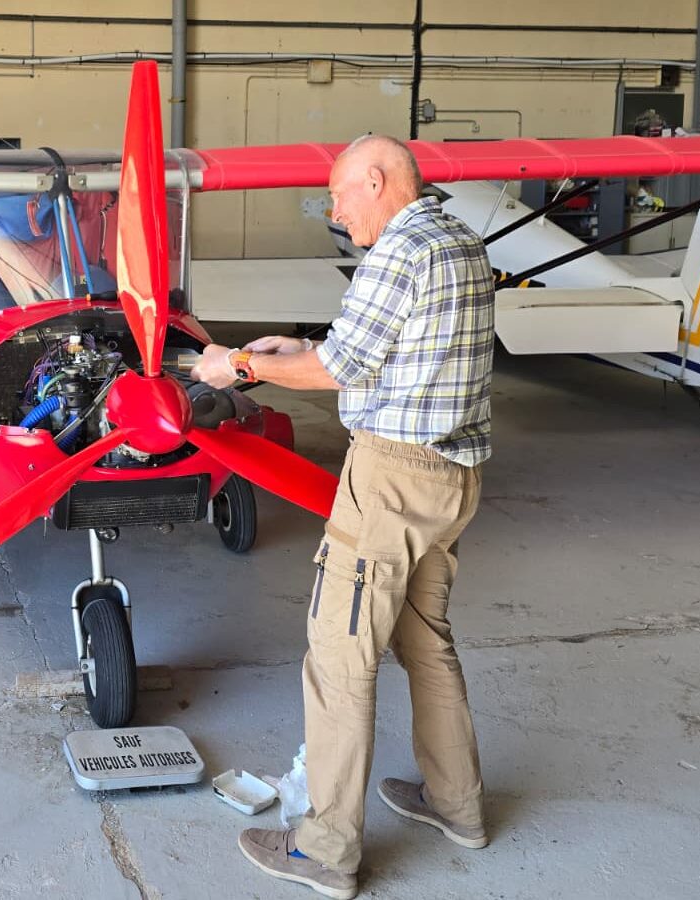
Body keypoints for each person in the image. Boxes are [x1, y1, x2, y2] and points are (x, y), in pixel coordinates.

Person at [191, 134, 496, 899]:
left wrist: (241, 365)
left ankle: (325, 849)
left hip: (392, 480)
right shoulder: (455, 236)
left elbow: (338, 371)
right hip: (453, 478)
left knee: (339, 655)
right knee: (426, 642)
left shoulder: (398, 249)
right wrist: (294, 344)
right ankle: (459, 807)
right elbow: (390, 348)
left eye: (339, 195)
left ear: (378, 179)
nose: (333, 210)